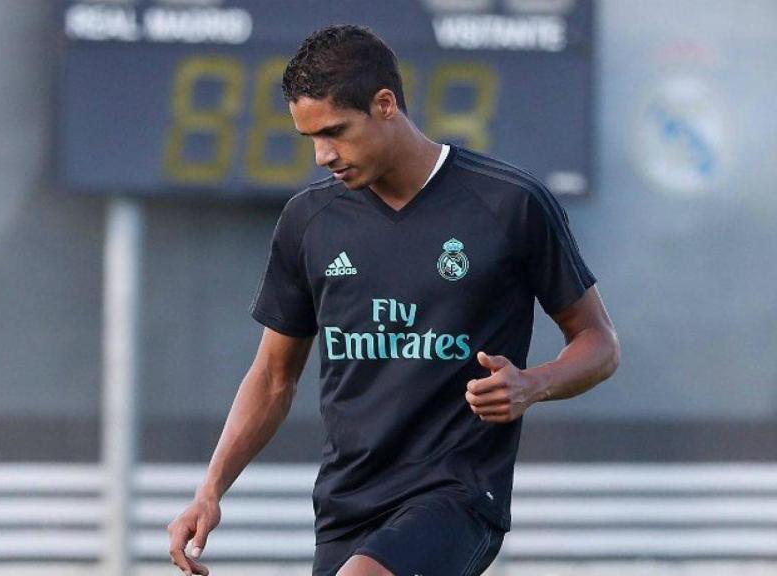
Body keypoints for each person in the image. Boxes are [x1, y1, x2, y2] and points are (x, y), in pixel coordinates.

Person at [167, 24, 620, 576]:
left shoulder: (511, 203)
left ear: (385, 104)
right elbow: (272, 378)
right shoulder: (308, 221)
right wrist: (210, 490)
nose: (322, 155)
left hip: (456, 496)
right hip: (346, 506)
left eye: (335, 131)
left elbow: (598, 341)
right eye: (310, 137)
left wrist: (532, 384)